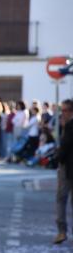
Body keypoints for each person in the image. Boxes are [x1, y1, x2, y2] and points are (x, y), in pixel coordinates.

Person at [55, 99, 73, 244]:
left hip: (67, 168)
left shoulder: (69, 126)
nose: (63, 113)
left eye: (65, 110)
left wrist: (57, 159)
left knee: (61, 198)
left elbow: (65, 147)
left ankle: (62, 231)